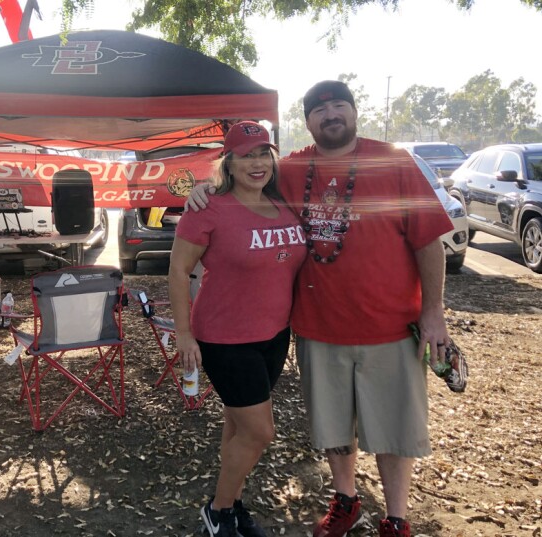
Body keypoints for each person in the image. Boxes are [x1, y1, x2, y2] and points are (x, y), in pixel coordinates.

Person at [186, 81, 454, 537]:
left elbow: (429, 240)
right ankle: (346, 500)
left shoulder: (393, 162)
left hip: (388, 325)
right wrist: (201, 188)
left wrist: (434, 313)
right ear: (308, 120)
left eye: (339, 105)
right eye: (320, 109)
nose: (331, 114)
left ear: (353, 111)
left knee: (393, 430)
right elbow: (239, 178)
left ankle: (396, 518)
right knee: (333, 429)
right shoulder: (289, 169)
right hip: (317, 328)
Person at [170, 122, 307, 537]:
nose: (257, 163)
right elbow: (178, 270)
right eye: (246, 154)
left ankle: (233, 504)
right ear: (228, 162)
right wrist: (183, 332)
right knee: (261, 431)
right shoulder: (208, 207)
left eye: (263, 153)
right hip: (224, 337)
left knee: (238, 424)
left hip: (274, 335)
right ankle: (218, 509)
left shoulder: (283, 204)